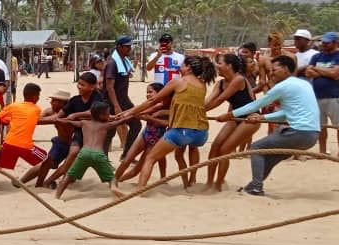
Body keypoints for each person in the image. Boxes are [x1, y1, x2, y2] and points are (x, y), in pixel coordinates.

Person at [217, 55, 320, 196]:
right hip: (312, 135)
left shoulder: (283, 86)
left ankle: (256, 187)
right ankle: (254, 185)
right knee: (271, 157)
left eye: (274, 69)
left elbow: (256, 104)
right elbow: (286, 113)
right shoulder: (304, 84)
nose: (270, 73)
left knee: (256, 148)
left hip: (297, 132)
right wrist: (263, 117)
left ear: (285, 69)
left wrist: (230, 115)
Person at [117, 55, 216, 194]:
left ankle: (139, 190)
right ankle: (190, 182)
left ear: (188, 67)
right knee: (182, 155)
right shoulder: (202, 85)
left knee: (150, 158)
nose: (179, 67)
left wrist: (131, 112)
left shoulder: (178, 82)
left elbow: (153, 101)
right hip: (201, 133)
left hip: (181, 131)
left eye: (182, 65)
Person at [0, 83, 46, 191]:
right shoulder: (37, 109)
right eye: (38, 96)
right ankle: (39, 184)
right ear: (35, 96)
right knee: (47, 159)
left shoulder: (14, 106)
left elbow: (0, 117)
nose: (39, 98)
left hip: (9, 143)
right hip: (26, 146)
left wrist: (10, 120)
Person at [203, 54, 258, 192]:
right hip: (235, 117)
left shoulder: (239, 79)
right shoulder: (220, 83)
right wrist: (196, 110)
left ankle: (218, 185)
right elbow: (209, 101)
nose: (217, 66)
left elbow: (221, 99)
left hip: (250, 118)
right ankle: (209, 182)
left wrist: (200, 112)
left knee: (224, 150)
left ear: (229, 66)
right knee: (215, 146)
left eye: (220, 63)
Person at [55, 102, 130, 199]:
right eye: (108, 113)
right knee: (112, 178)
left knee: (69, 176)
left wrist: (58, 119)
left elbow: (69, 122)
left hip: (84, 153)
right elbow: (120, 122)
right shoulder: (106, 125)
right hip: (98, 154)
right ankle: (113, 187)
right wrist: (131, 115)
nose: (109, 115)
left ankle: (57, 196)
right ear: (101, 115)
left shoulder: (84, 123)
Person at [42, 73, 105, 187]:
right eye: (79, 84)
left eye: (83, 85)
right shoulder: (74, 100)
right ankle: (49, 181)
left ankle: (65, 179)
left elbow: (94, 112)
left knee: (83, 161)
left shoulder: (97, 97)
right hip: (79, 134)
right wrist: (36, 121)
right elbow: (58, 116)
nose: (79, 87)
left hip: (93, 136)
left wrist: (75, 115)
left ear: (92, 87)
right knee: (72, 155)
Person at [112, 83, 169, 187]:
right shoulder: (150, 103)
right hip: (145, 134)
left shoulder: (164, 106)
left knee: (137, 169)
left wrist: (146, 117)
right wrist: (125, 114)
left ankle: (120, 180)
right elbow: (139, 110)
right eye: (147, 92)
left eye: (150, 92)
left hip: (155, 140)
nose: (148, 94)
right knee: (127, 160)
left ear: (160, 93)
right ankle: (115, 180)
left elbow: (168, 123)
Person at [305, 32, 339, 158]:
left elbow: (335, 73)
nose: (323, 44)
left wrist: (317, 71)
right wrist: (327, 72)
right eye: (323, 42)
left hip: (334, 97)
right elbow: (308, 72)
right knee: (321, 126)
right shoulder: (316, 57)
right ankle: (322, 151)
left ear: (335, 43)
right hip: (317, 96)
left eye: (327, 42)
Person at [103, 36, 141, 160]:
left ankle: (126, 154)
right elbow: (109, 87)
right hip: (112, 102)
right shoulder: (112, 63)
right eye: (127, 46)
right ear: (119, 47)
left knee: (136, 125)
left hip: (124, 100)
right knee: (110, 131)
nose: (129, 48)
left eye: (130, 46)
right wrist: (116, 106)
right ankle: (103, 158)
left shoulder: (123, 60)